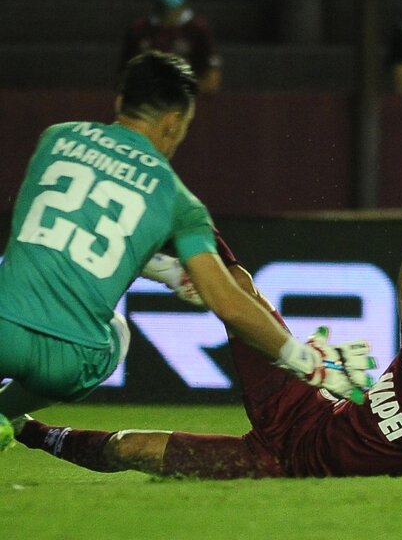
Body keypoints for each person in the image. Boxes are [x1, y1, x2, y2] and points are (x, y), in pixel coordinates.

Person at [10, 155, 402, 477]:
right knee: (242, 288)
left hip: (280, 465)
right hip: (300, 407)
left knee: (129, 449)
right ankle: (171, 225)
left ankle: (24, 430)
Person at [0, 51, 364, 447]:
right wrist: (308, 363)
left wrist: (166, 271)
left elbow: (57, 232)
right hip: (70, 360)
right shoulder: (178, 200)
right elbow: (227, 301)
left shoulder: (57, 138)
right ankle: (4, 412)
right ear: (174, 123)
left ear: (121, 102)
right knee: (117, 334)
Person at [119, 0, 222, 95]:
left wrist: (174, 95)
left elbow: (212, 80)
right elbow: (123, 79)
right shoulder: (139, 29)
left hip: (185, 110)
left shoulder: (198, 29)